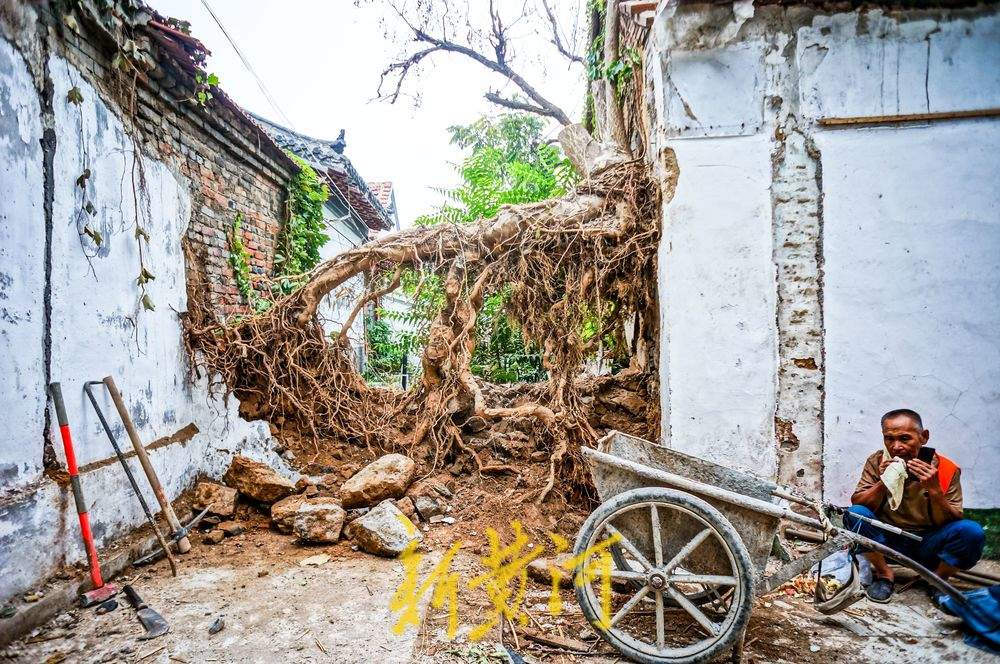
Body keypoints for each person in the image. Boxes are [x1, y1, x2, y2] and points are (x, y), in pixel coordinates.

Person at [847, 408, 985, 603]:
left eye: (905, 439)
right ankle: (884, 575)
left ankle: (937, 579)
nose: (896, 447)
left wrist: (934, 489)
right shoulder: (878, 461)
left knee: (972, 532)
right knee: (856, 515)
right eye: (889, 439)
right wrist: (883, 482)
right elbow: (858, 504)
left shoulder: (945, 468)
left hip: (928, 543)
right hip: (885, 540)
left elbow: (953, 521)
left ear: (924, 437)